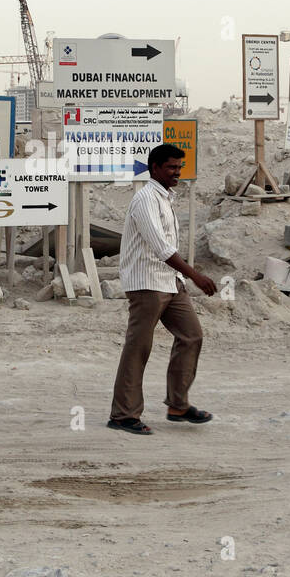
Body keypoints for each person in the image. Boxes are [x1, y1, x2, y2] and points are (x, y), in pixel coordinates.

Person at [108, 143, 217, 435]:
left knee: (192, 335)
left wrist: (184, 277)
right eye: (171, 167)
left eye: (179, 168)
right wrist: (195, 275)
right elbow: (160, 246)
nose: (176, 173)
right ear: (154, 168)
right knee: (138, 348)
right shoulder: (144, 199)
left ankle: (178, 405)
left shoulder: (165, 197)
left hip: (169, 281)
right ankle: (123, 415)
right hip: (146, 283)